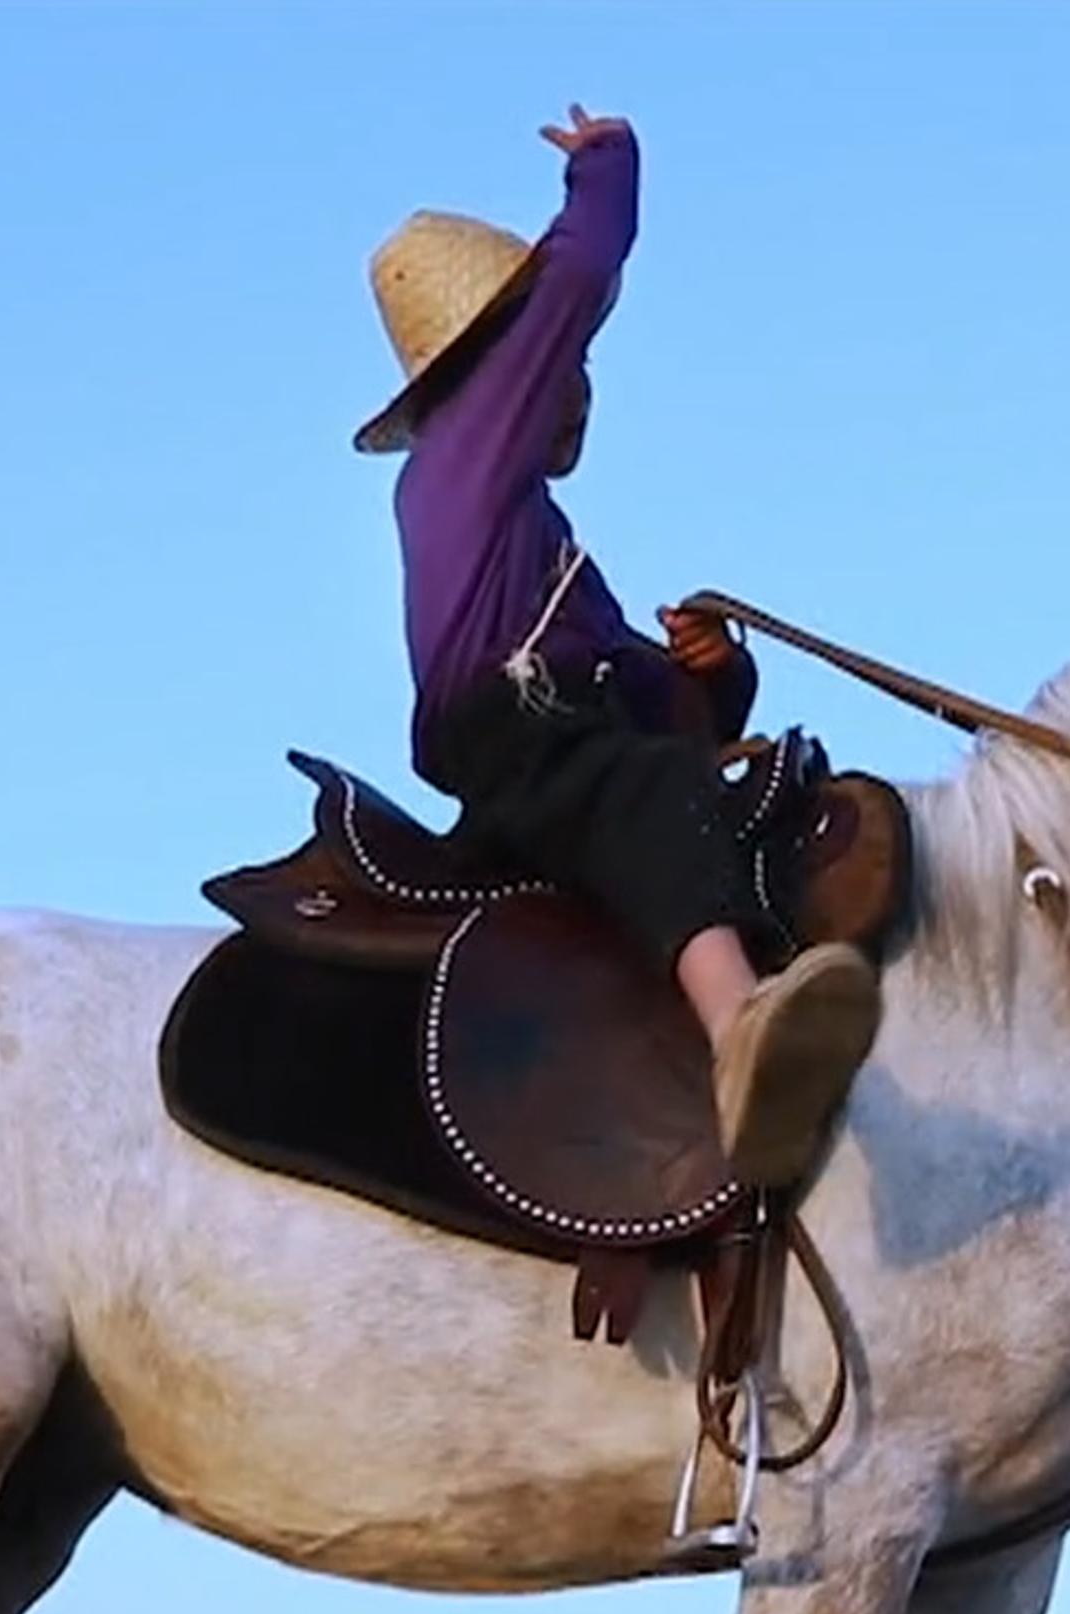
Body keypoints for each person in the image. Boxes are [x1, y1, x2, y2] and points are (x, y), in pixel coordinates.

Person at [353, 104, 879, 1189]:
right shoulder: (469, 447)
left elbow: (653, 712)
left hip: (550, 742)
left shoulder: (540, 550)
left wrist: (713, 674)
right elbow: (582, 272)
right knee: (634, 793)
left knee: (670, 790)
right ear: (506, 364)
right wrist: (609, 162)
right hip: (509, 738)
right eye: (557, 372)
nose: (578, 391)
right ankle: (739, 1032)